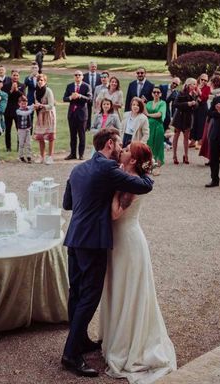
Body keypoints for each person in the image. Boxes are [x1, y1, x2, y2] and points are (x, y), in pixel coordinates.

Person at [61, 127, 154, 378]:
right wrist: (149, 171)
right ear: (110, 144)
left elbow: (67, 204)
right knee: (90, 297)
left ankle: (79, 340)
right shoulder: (108, 169)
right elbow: (145, 185)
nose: (121, 148)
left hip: (74, 239)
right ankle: (70, 354)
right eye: (119, 144)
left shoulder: (78, 168)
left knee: (77, 293)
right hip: (93, 242)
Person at [100, 141, 176, 383]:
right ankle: (117, 336)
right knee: (119, 288)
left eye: (125, 151)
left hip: (129, 242)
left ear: (132, 160)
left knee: (128, 290)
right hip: (121, 240)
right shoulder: (127, 174)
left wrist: (111, 188)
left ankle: (129, 345)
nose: (121, 151)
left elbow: (115, 214)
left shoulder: (130, 183)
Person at [63, 71, 92, 160]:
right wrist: (71, 98)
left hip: (82, 114)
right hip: (72, 114)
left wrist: (80, 96)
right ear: (74, 76)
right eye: (76, 75)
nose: (77, 76)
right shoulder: (70, 86)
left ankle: (81, 154)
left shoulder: (86, 86)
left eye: (79, 75)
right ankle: (72, 153)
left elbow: (89, 99)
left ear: (82, 77)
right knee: (72, 135)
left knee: (82, 135)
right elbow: (64, 98)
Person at [171, 78, 198, 165]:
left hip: (188, 118)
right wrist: (187, 104)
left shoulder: (194, 94)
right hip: (180, 117)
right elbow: (175, 104)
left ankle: (186, 155)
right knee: (176, 136)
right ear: (188, 85)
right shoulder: (181, 93)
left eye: (195, 84)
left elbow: (197, 106)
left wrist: (195, 104)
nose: (195, 86)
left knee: (186, 137)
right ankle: (174, 156)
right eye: (193, 84)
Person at [33, 74, 56, 165]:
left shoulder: (48, 91)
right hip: (40, 115)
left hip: (49, 115)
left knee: (50, 136)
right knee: (40, 136)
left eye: (41, 80)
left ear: (45, 81)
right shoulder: (35, 92)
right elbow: (36, 102)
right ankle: (42, 156)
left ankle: (50, 156)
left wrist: (41, 106)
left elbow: (51, 105)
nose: (39, 81)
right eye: (38, 80)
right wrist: (36, 106)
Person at [199, 74, 220, 164]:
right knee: (210, 138)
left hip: (212, 117)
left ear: (213, 82)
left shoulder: (214, 93)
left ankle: (212, 158)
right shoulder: (216, 92)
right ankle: (212, 158)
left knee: (210, 138)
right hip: (212, 117)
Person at [2, 69, 25, 151]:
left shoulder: (22, 85)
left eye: (17, 75)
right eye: (14, 75)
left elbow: (23, 97)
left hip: (18, 110)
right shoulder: (5, 85)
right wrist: (11, 90)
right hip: (8, 110)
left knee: (19, 129)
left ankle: (19, 147)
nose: (15, 77)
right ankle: (8, 147)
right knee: (8, 130)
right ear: (11, 76)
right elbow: (4, 97)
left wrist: (17, 90)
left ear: (19, 76)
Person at [146, 87, 167, 172]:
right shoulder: (149, 103)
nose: (156, 94)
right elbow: (144, 112)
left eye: (158, 92)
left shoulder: (163, 103)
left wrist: (149, 115)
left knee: (158, 144)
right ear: (152, 93)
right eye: (154, 92)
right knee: (149, 143)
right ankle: (149, 161)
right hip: (149, 126)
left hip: (158, 126)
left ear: (161, 94)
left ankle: (157, 162)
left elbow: (159, 114)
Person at [190, 73, 211, 149]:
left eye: (205, 80)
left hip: (202, 108)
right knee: (193, 123)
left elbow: (204, 98)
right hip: (195, 107)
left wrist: (199, 92)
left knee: (201, 123)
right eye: (202, 79)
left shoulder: (207, 88)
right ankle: (192, 140)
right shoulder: (195, 85)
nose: (203, 81)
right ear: (199, 79)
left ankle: (200, 140)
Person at [159, 77, 180, 147]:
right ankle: (161, 138)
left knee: (167, 120)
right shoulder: (162, 87)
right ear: (171, 81)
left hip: (166, 107)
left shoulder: (175, 93)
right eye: (173, 83)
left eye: (176, 85)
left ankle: (164, 138)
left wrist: (173, 116)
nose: (174, 85)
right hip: (159, 105)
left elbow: (174, 105)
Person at [15, 95, 34, 163]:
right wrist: (31, 109)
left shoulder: (28, 108)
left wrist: (35, 105)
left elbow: (32, 106)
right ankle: (21, 156)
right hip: (21, 130)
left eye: (25, 103)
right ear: (19, 103)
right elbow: (25, 113)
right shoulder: (18, 111)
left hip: (28, 129)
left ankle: (29, 156)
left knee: (28, 143)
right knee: (21, 143)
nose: (24, 105)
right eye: (22, 104)